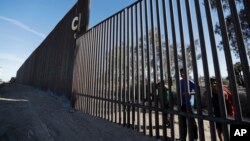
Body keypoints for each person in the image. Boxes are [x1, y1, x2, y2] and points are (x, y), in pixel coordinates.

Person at [179, 68, 198, 140]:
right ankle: (183, 138)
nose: (182, 75)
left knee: (192, 122)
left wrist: (189, 93)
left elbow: (197, 91)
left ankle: (195, 138)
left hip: (189, 104)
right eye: (181, 73)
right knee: (183, 122)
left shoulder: (190, 82)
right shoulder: (180, 82)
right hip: (182, 104)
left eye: (183, 73)